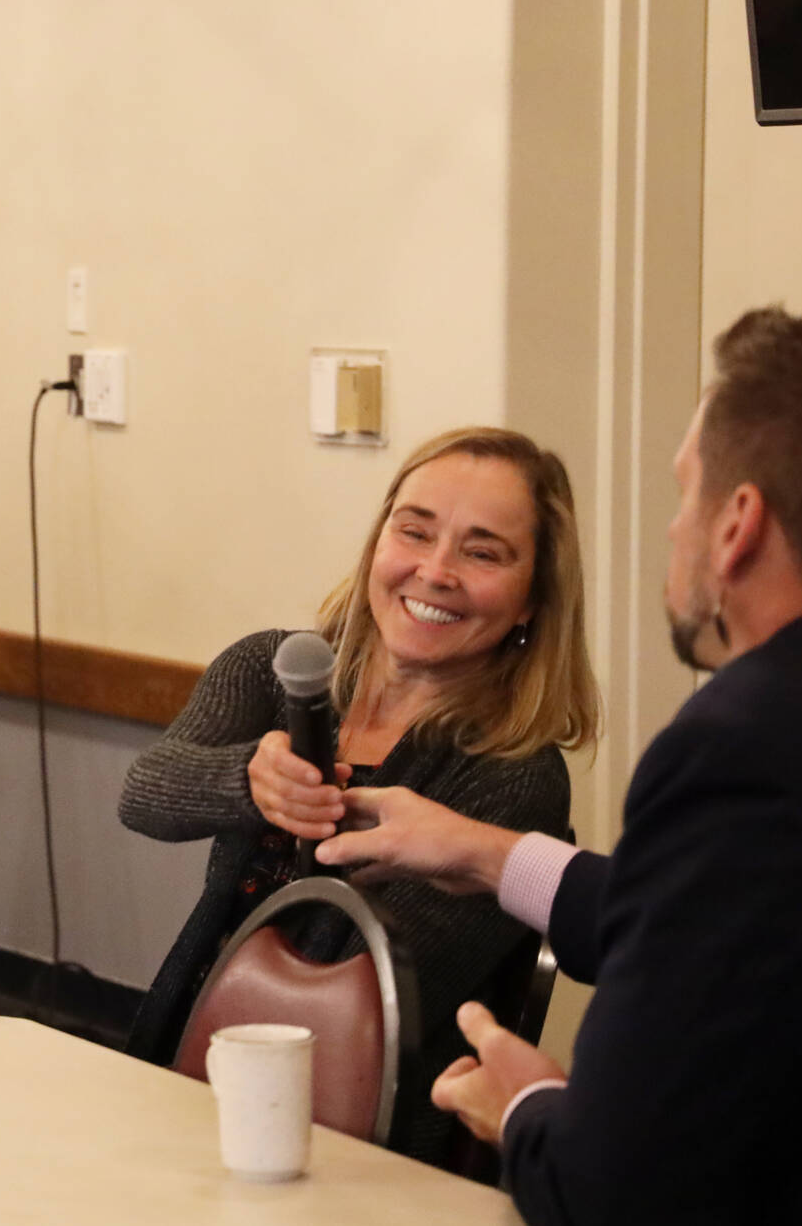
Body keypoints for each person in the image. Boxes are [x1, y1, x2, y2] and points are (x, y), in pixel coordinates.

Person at [315, 308, 802, 1224]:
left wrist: (525, 1104)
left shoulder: (744, 746)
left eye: (686, 494)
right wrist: (487, 854)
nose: (675, 531)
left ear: (737, 525)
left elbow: (614, 1187)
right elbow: (734, 918)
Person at [119, 427, 597, 1164]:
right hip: (186, 1063)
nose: (435, 571)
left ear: (533, 598)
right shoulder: (270, 668)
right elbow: (143, 794)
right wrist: (247, 779)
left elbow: (365, 993)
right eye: (415, 532)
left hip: (358, 1128)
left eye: (482, 553)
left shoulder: (515, 774)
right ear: (378, 542)